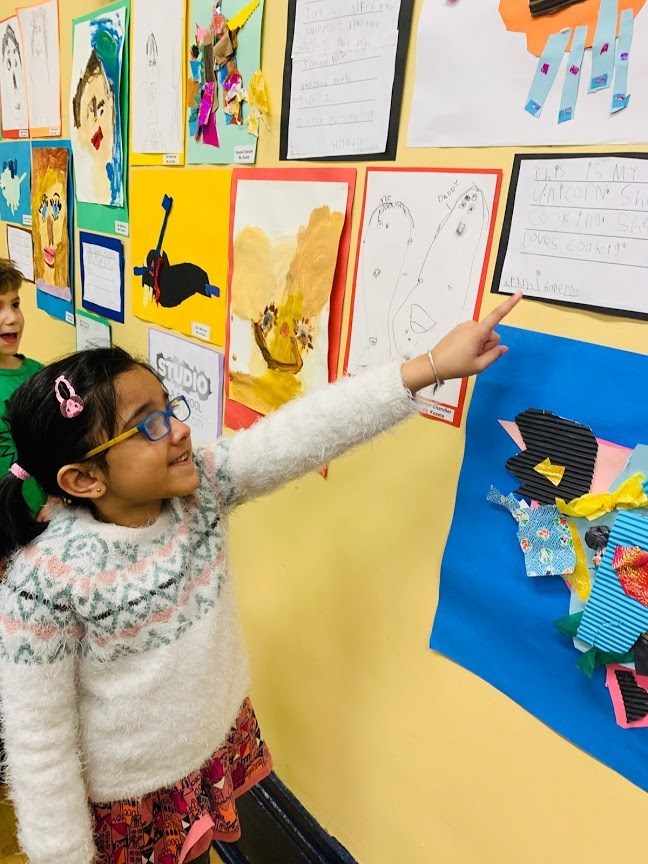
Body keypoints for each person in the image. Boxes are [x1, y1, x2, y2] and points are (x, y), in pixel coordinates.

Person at [0, 293, 521, 864]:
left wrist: (430, 367)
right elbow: (38, 746)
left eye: (168, 407)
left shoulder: (202, 490)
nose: (178, 429)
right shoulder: (43, 585)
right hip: (128, 802)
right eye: (147, 426)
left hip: (211, 749)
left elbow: (300, 434)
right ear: (84, 479)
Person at [0, 259, 46, 519]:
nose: (12, 318)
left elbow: (57, 444)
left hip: (39, 520)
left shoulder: (40, 375)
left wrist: (54, 501)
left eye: (15, 305)